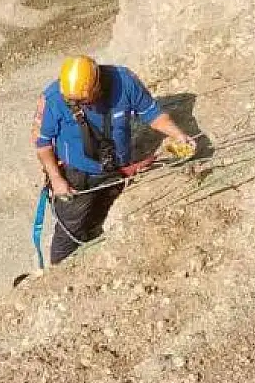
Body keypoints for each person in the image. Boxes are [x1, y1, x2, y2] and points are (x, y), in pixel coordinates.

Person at [32, 55, 196, 264]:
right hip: (77, 176)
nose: (75, 104)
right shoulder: (55, 98)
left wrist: (178, 135)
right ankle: (60, 270)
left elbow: (152, 115)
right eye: (73, 101)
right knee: (70, 228)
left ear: (97, 85)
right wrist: (56, 179)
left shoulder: (125, 82)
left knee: (101, 215)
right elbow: (43, 143)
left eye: (82, 100)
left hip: (116, 169)